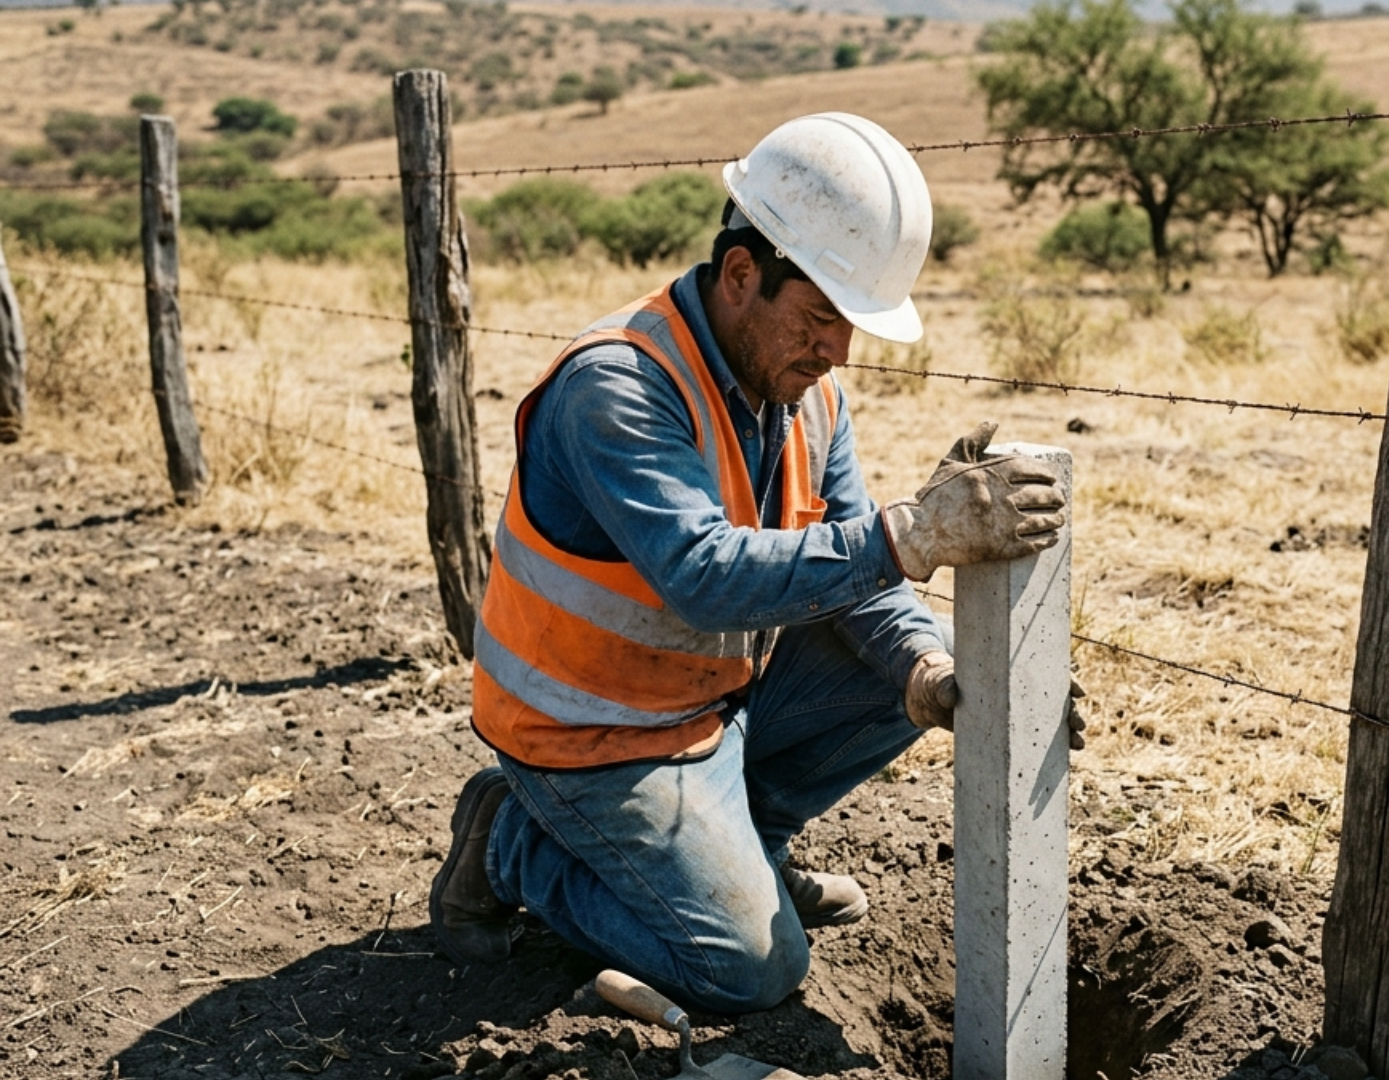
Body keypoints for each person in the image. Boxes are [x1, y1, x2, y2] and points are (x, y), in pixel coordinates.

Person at [427, 112, 1079, 1014]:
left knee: (919, 642)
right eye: (820, 318)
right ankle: (510, 843)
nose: (839, 351)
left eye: (849, 325)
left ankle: (747, 851)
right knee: (751, 971)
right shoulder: (615, 385)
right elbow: (701, 574)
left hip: (710, 704)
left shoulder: (807, 396)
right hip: (590, 737)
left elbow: (860, 580)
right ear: (742, 275)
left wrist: (929, 674)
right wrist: (917, 534)